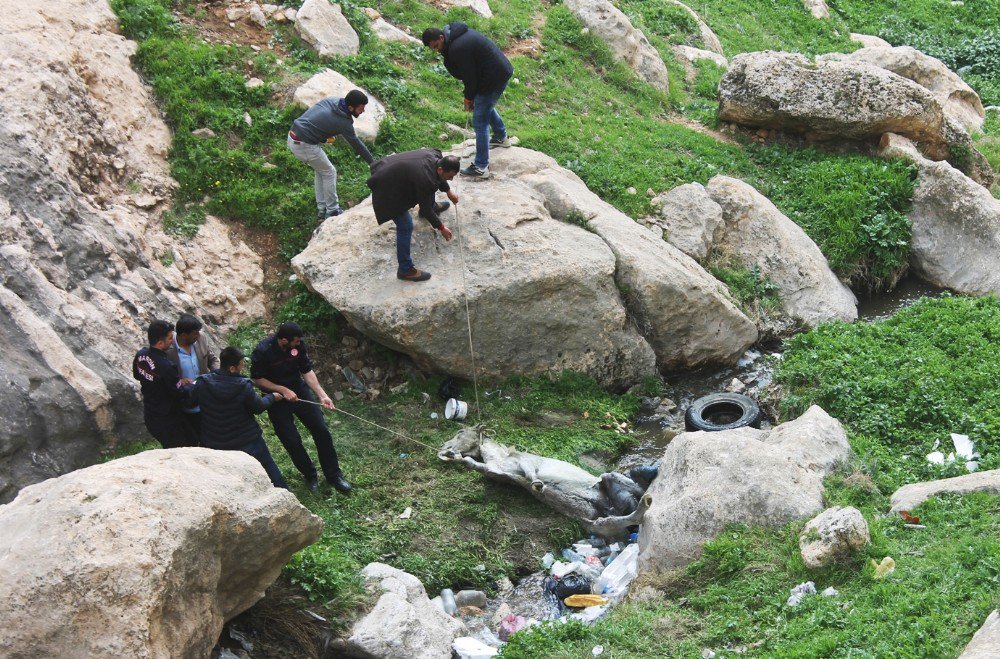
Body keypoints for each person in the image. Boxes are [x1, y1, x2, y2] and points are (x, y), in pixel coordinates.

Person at [250, 322, 351, 493]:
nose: (298, 344)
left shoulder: (298, 346)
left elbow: (306, 370)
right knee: (291, 440)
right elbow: (257, 379)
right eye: (295, 342)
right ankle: (310, 475)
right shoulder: (263, 351)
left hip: (299, 391)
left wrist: (322, 394)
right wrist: (281, 389)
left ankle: (334, 475)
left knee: (322, 431)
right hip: (277, 398)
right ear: (283, 340)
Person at [189, 347, 289, 489]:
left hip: (215, 442)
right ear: (232, 368)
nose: (243, 367)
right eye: (241, 364)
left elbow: (190, 402)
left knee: (227, 479)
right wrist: (272, 396)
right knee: (268, 467)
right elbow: (258, 407)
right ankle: (284, 493)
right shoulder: (243, 385)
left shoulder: (202, 383)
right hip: (246, 440)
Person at [422, 23, 513, 178]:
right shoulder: (454, 37)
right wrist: (472, 96)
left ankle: (481, 167)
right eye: (433, 49)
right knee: (484, 107)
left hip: (493, 77)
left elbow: (469, 77)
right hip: (495, 72)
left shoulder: (458, 48)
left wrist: (468, 98)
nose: (436, 50)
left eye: (437, 46)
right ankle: (500, 137)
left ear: (441, 37)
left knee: (479, 121)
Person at [366, 148, 459, 282]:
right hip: (386, 187)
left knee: (431, 184)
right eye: (450, 176)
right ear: (441, 169)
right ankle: (405, 270)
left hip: (390, 169)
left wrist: (448, 191)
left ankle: (432, 204)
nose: (450, 179)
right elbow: (426, 208)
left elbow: (437, 178)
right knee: (405, 225)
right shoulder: (426, 177)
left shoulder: (434, 156)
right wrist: (441, 227)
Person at [288, 89, 376, 220]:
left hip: (294, 136)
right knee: (329, 172)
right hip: (304, 144)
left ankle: (322, 209)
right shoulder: (343, 122)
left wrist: (322, 137)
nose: (363, 111)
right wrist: (373, 163)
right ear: (350, 108)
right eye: (361, 108)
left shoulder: (332, 101)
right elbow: (357, 144)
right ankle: (333, 210)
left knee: (322, 171)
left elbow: (315, 120)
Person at [132, 319, 198, 449]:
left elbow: (137, 375)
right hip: (168, 418)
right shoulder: (167, 366)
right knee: (184, 448)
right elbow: (178, 393)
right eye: (169, 338)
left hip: (151, 413)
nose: (172, 341)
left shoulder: (141, 355)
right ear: (161, 343)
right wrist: (192, 386)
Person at [165, 313, 219, 437]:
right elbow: (165, 375)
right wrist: (179, 381)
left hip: (206, 396)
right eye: (195, 333)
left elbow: (212, 359)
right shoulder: (169, 350)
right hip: (185, 401)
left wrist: (216, 374)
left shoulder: (201, 339)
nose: (198, 335)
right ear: (184, 335)